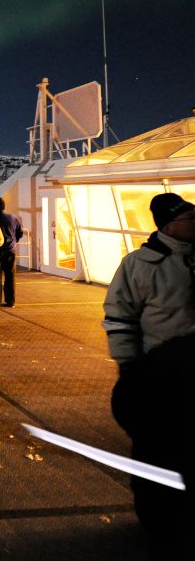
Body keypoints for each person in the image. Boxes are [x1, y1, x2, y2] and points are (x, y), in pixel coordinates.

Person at [103, 193, 195, 558]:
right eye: (190, 218)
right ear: (168, 223)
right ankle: (159, 527)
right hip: (162, 377)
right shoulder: (139, 265)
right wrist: (129, 367)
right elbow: (119, 317)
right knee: (159, 453)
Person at [0, 197, 23, 306]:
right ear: (4, 206)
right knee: (10, 276)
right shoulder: (13, 218)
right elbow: (19, 233)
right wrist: (14, 241)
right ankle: (10, 301)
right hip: (10, 250)